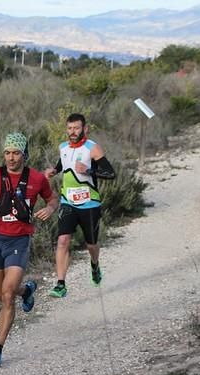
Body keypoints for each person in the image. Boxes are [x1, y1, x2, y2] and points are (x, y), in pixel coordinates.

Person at [0, 132, 58, 367]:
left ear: (24, 155)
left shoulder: (37, 179)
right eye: (7, 153)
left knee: (7, 295)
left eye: (16, 153)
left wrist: (49, 209)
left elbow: (52, 199)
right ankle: (26, 291)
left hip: (19, 241)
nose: (11, 157)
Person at [44, 113, 116, 298]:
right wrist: (54, 170)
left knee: (91, 244)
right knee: (62, 240)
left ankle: (95, 264)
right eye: (69, 128)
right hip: (67, 202)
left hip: (89, 204)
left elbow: (110, 173)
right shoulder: (63, 147)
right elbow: (63, 163)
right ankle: (60, 284)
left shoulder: (92, 148)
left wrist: (89, 170)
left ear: (85, 128)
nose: (72, 132)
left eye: (76, 128)